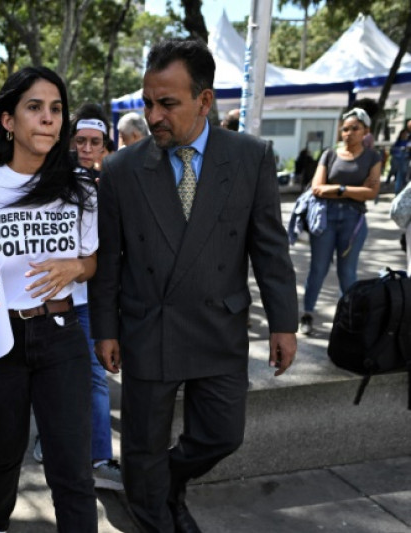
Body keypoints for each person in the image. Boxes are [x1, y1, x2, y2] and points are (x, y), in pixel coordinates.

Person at [90, 39, 298, 532]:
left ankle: (161, 483)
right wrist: (105, 329)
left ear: (204, 101)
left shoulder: (250, 157)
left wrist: (283, 324)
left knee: (222, 436)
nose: (154, 116)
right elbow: (110, 261)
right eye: (148, 103)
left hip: (217, 324)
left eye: (168, 104)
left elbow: (269, 248)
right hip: (148, 324)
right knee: (142, 443)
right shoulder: (121, 169)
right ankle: (156, 513)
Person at [0, 66, 99, 533]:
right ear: (8, 120)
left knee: (71, 466)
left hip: (62, 336)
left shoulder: (80, 187)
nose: (49, 119)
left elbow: (93, 261)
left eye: (56, 109)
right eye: (34, 108)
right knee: (4, 452)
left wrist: (76, 267)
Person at [39, 103, 122, 492]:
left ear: (107, 146)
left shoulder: (119, 182)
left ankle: (101, 457)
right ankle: (48, 436)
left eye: (95, 143)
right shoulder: (56, 179)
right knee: (48, 375)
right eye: (81, 142)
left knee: (95, 379)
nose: (87, 149)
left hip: (94, 297)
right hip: (53, 297)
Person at [299, 108, 382, 336]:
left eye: (355, 128)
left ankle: (348, 318)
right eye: (345, 128)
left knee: (348, 273)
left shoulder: (372, 157)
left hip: (352, 220)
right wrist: (350, 190)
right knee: (318, 269)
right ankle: (307, 314)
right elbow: (317, 188)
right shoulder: (330, 154)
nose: (349, 133)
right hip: (326, 218)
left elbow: (372, 191)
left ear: (365, 131)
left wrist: (336, 189)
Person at [389, 129, 409, 194]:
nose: (405, 135)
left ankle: (398, 191)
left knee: (401, 177)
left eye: (406, 134)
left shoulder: (408, 142)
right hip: (396, 161)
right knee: (397, 176)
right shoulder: (397, 142)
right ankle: (397, 191)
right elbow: (392, 151)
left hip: (404, 162)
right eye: (403, 134)